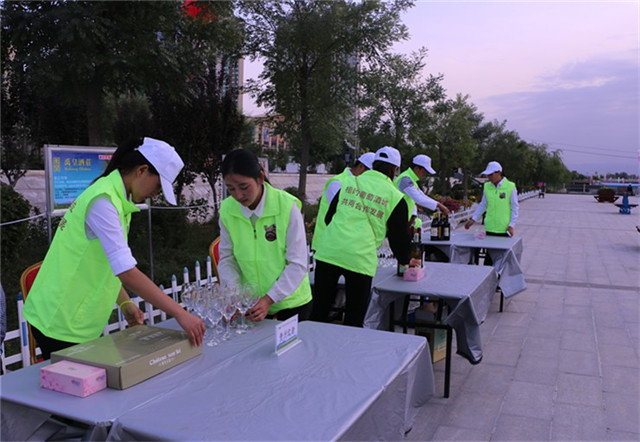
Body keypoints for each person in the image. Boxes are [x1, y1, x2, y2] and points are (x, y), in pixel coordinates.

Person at [23, 137, 205, 359]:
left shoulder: (116, 199)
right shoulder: (103, 201)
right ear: (142, 170)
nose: (155, 194)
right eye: (158, 186)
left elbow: (107, 261)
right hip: (60, 320)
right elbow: (126, 271)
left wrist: (125, 302)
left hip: (73, 318)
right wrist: (179, 313)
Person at [312, 146, 421, 327]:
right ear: (395, 170)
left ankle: (314, 343)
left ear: (374, 164)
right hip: (359, 258)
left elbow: (329, 217)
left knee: (319, 311)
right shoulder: (395, 197)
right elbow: (398, 237)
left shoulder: (349, 182)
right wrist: (406, 259)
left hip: (328, 252)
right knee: (354, 318)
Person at [218, 149, 312, 322]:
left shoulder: (286, 207)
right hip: (252, 305)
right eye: (231, 189)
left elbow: (297, 263)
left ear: (260, 178)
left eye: (244, 187)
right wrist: (234, 295)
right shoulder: (227, 210)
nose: (238, 195)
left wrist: (270, 298)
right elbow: (227, 258)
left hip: (290, 304)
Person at [311, 152, 375, 252]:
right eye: (370, 174)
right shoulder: (337, 183)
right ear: (360, 167)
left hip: (346, 246)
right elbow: (343, 212)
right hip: (327, 245)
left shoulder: (362, 185)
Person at [464, 161, 519, 237]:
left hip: (505, 228)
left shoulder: (510, 186)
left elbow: (514, 207)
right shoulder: (487, 186)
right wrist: (473, 219)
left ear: (498, 173)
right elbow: (483, 204)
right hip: (490, 228)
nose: (489, 177)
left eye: (491, 174)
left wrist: (511, 225)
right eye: (488, 175)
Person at [395, 154, 450, 220]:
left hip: (403, 217)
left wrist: (438, 205)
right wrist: (439, 205)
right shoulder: (405, 179)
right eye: (423, 172)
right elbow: (419, 198)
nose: (424, 175)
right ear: (416, 168)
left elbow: (422, 195)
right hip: (397, 217)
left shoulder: (411, 179)